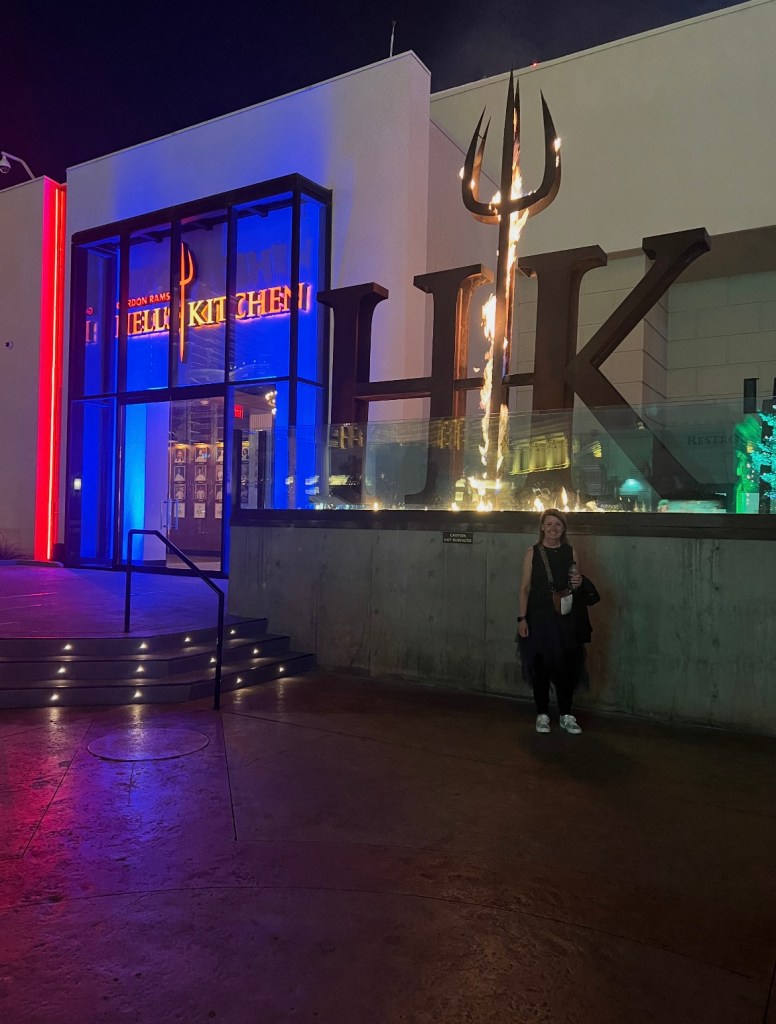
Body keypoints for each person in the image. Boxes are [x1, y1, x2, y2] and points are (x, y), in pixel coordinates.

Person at [516, 508, 591, 735]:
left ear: (563, 528)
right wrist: (522, 618)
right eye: (549, 524)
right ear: (542, 527)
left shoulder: (570, 551)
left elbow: (574, 581)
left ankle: (566, 714)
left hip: (565, 618)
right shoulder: (532, 552)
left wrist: (578, 582)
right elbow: (525, 588)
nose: (553, 529)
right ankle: (542, 714)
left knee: (567, 667)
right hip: (539, 617)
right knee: (540, 666)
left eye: (557, 524)